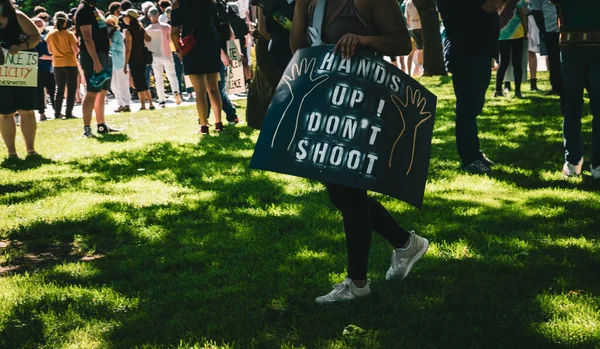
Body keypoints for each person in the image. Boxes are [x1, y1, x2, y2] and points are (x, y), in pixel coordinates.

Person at [291, 0, 426, 305]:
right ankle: (406, 243)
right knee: (340, 194)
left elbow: (402, 43)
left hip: (363, 102)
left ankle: (358, 283)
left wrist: (364, 40)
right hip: (328, 103)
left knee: (349, 192)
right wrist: (301, 7)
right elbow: (297, 48)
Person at [437, 0, 500, 174]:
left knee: (473, 106)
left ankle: (474, 154)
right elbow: (490, 6)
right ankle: (469, 159)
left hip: (477, 51)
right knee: (467, 108)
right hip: (466, 52)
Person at [550, 0, 600, 179]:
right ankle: (578, 161)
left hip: (573, 47)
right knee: (573, 106)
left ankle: (576, 161)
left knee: (573, 106)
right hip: (573, 48)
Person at [171, 0, 224, 134]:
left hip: (192, 45)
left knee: (199, 90)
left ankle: (204, 127)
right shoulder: (209, 1)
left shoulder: (178, 4)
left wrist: (179, 51)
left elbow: (174, 32)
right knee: (213, 87)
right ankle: (219, 124)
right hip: (211, 42)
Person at [0, 0, 41, 158]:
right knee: (5, 113)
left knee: (27, 111)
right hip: (2, 73)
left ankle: (30, 150)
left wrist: (21, 47)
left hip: (23, 71)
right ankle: (11, 152)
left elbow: (35, 37)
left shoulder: (18, 17)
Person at [76, 0, 121, 137]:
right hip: (92, 56)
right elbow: (87, 38)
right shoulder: (83, 11)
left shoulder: (94, 9)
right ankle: (87, 128)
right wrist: (95, 60)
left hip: (103, 54)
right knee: (92, 91)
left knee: (102, 91)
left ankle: (101, 125)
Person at [46, 11, 80, 120]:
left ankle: (57, 113)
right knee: (71, 89)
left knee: (59, 89)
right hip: (70, 63)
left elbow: (50, 51)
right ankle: (69, 112)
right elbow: (75, 51)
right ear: (65, 23)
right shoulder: (69, 35)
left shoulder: (50, 35)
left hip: (57, 64)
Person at [146, 7, 182, 108]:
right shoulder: (166, 27)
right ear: (158, 15)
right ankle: (176, 91)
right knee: (172, 75)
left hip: (155, 55)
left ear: (149, 16)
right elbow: (171, 40)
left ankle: (161, 100)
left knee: (158, 78)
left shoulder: (147, 29)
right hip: (167, 53)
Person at [211, 0, 240, 124]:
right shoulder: (212, 7)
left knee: (218, 87)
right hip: (216, 51)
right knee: (217, 87)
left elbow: (229, 30)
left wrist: (234, 49)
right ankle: (231, 115)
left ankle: (231, 115)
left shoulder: (220, 5)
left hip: (220, 51)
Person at [493, 0, 528, 99]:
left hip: (502, 34)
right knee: (516, 62)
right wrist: (525, 30)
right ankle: (517, 91)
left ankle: (498, 90)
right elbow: (522, 14)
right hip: (517, 33)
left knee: (503, 62)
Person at [123, 9, 155, 111]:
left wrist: (125, 63)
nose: (124, 18)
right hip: (142, 57)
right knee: (143, 81)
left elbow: (128, 49)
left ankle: (143, 105)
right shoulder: (141, 29)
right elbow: (148, 39)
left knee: (138, 82)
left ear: (130, 18)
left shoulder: (128, 31)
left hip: (134, 58)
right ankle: (150, 104)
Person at [530, 0, 561, 96]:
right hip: (550, 29)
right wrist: (543, 30)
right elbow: (536, 11)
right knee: (553, 57)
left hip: (568, 28)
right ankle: (556, 86)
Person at [106, 15, 131, 113]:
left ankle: (126, 104)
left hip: (120, 63)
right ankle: (120, 104)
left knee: (123, 84)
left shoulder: (118, 34)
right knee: (113, 86)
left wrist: (112, 44)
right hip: (109, 64)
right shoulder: (105, 35)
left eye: (110, 23)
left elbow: (121, 48)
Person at [33, 17, 55, 122]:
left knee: (52, 89)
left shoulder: (45, 37)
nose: (39, 26)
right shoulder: (32, 39)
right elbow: (39, 55)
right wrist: (53, 57)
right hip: (39, 68)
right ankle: (42, 113)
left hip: (49, 68)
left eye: (41, 24)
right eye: (37, 24)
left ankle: (57, 110)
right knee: (40, 91)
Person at [404, 0, 423, 77]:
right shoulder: (420, 2)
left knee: (413, 50)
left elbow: (407, 17)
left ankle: (409, 71)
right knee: (420, 48)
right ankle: (421, 67)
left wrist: (410, 25)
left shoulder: (408, 3)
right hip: (420, 26)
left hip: (412, 27)